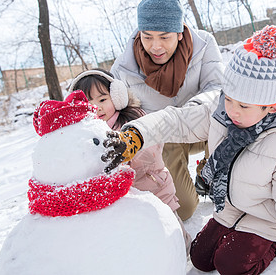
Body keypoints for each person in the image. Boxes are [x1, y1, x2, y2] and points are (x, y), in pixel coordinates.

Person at [102, 25, 276, 274]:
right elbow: (178, 120)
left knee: (230, 265)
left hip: (268, 219)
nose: (232, 110)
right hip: (230, 209)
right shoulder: (223, 111)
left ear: (270, 107)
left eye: (244, 106)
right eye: (228, 98)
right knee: (199, 257)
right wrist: (137, 134)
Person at [110, 0, 224, 221]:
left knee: (231, 114)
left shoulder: (204, 44)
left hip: (203, 125)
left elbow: (217, 88)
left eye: (164, 37)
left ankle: (208, 172)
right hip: (164, 139)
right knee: (184, 209)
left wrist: (188, 114)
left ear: (180, 32)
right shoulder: (123, 69)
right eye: (147, 36)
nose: (155, 46)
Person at [68, 68, 192, 253]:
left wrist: (125, 155)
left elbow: (151, 152)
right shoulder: (85, 136)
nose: (97, 108)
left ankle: (187, 252)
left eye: (102, 100)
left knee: (174, 236)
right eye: (89, 103)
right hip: (124, 205)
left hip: (155, 191)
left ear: (117, 97)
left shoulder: (134, 121)